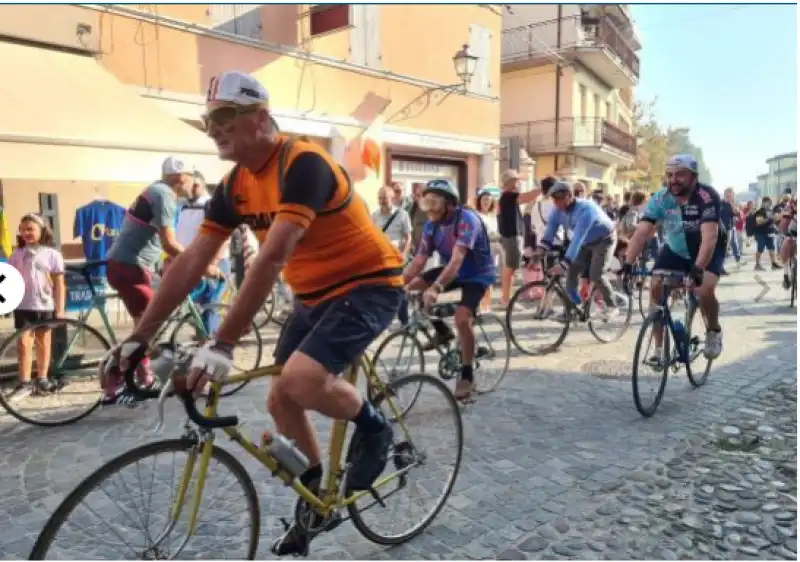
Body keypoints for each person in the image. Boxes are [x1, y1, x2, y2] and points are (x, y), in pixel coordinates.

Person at [100, 70, 403, 556]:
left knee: (302, 379)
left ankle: (374, 427)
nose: (215, 128)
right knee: (279, 398)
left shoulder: (303, 163)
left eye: (225, 116)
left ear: (260, 118)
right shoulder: (235, 184)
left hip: (368, 284)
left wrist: (223, 342)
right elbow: (192, 260)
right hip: (313, 294)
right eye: (208, 121)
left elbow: (272, 256)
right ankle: (316, 495)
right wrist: (140, 335)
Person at [103, 156, 207, 405]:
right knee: (151, 326)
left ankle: (141, 375)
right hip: (131, 267)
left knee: (144, 327)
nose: (191, 182)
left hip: (126, 265)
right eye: (191, 177)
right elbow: (169, 243)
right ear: (181, 177)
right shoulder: (165, 196)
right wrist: (201, 263)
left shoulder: (155, 190)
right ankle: (112, 378)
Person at [621, 154, 727, 362]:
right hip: (677, 249)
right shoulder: (660, 198)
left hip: (707, 248)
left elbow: (709, 237)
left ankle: (713, 331)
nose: (674, 179)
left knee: (704, 288)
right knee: (655, 287)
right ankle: (658, 351)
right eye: (670, 175)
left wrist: (698, 268)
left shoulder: (706, 195)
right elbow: (642, 232)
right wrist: (627, 262)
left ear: (694, 176)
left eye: (680, 175)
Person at [404, 179, 495, 399]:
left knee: (462, 319)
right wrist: (396, 283)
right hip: (452, 271)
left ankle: (466, 374)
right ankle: (442, 332)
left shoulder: (467, 220)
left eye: (435, 203)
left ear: (450, 204)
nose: (430, 209)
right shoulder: (431, 225)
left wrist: (436, 287)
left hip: (476, 274)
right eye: (427, 203)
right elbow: (419, 261)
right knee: (412, 288)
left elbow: (456, 260)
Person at [536, 181, 619, 318]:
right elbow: (549, 232)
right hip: (586, 241)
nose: (556, 203)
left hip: (604, 239)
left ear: (569, 196)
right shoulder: (557, 211)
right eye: (554, 199)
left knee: (595, 275)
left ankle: (612, 305)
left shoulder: (586, 210)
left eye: (559, 199)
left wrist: (564, 263)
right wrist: (540, 250)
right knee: (571, 274)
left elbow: (578, 238)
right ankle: (574, 307)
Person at [6, 214, 65, 398]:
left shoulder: (53, 255)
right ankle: (24, 381)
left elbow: (60, 284)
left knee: (43, 342)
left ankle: (42, 378)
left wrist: (60, 308)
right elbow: (9, 278)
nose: (25, 233)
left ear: (41, 230)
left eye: (30, 229)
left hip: (44, 305)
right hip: (24, 305)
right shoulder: (17, 254)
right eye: (22, 229)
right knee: (23, 343)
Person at [497, 169, 540, 305]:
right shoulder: (508, 195)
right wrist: (542, 188)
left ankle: (507, 298)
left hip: (512, 237)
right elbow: (527, 197)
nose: (518, 184)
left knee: (511, 269)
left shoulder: (507, 196)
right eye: (516, 181)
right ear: (510, 182)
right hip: (512, 237)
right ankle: (505, 299)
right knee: (510, 268)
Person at [372, 185, 413, 323]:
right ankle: (381, 320)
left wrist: (403, 253)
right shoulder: (374, 216)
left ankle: (404, 320)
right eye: (380, 198)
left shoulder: (402, 215)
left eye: (384, 198)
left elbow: (408, 237)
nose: (382, 201)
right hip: (379, 259)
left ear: (392, 198)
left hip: (396, 259)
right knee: (379, 289)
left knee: (399, 289)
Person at [475, 187, 501, 312]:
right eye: (484, 200)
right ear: (479, 201)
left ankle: (487, 305)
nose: (486, 202)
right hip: (481, 250)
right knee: (481, 280)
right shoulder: (476, 215)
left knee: (490, 280)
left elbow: (496, 232)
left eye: (489, 200)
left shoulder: (493, 216)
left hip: (493, 249)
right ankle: (480, 305)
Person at [749, 196, 781, 271]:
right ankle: (757, 265)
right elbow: (759, 222)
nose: (770, 204)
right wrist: (770, 218)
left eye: (771, 203)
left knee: (772, 248)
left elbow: (772, 220)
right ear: (764, 202)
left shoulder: (770, 210)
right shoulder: (760, 211)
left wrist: (776, 218)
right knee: (760, 249)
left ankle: (774, 264)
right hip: (761, 233)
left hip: (769, 233)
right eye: (769, 202)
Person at [778, 196, 797, 289]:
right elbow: (782, 224)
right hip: (791, 236)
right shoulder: (788, 211)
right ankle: (786, 276)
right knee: (785, 253)